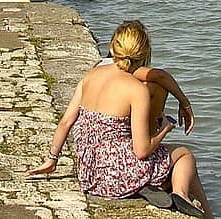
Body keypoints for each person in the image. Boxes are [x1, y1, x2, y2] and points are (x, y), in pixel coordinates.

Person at [28, 19, 211, 218]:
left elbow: (66, 121)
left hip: (90, 175)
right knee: (184, 154)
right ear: (144, 54)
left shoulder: (90, 76)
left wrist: (52, 159)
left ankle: (157, 189)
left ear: (113, 46)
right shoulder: (136, 89)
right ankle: (181, 195)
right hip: (118, 178)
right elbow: (141, 151)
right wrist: (165, 128)